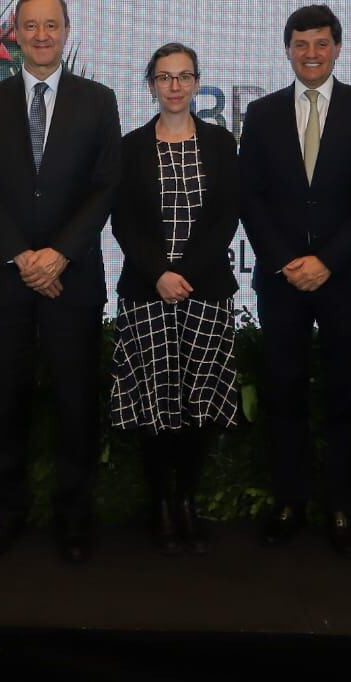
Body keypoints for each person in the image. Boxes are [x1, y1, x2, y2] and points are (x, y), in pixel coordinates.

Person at [0, 0, 122, 563]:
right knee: (5, 399)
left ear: (66, 29)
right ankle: (8, 510)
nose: (41, 35)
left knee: (76, 402)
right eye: (30, 26)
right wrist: (23, 257)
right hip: (8, 279)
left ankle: (74, 515)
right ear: (16, 34)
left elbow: (105, 186)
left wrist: (59, 254)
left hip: (72, 280)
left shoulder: (98, 101)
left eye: (51, 25)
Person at [239, 4, 351, 557]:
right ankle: (289, 502)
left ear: (337, 48)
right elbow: (250, 196)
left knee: (346, 393)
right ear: (287, 49)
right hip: (282, 281)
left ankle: (343, 505)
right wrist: (287, 260)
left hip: (349, 277)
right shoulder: (261, 113)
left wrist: (326, 260)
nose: (311, 54)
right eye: (301, 44)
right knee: (284, 392)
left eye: (321, 43)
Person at [109, 43, 241, 555]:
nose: (175, 86)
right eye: (165, 77)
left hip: (205, 291)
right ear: (151, 85)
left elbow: (226, 217)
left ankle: (186, 500)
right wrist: (159, 274)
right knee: (154, 402)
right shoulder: (130, 147)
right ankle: (160, 505)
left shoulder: (221, 142)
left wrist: (183, 273)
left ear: (197, 83)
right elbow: (123, 223)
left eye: (184, 76)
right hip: (147, 294)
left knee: (199, 402)